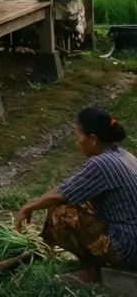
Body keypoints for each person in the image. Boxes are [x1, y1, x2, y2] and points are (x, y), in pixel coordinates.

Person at [15, 107, 137, 287]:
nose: (76, 142)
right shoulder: (123, 155)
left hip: (127, 247)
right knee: (80, 200)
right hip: (133, 239)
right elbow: (70, 187)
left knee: (60, 212)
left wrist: (28, 206)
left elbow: (59, 195)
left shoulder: (100, 164)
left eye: (78, 136)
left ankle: (93, 269)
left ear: (93, 139)